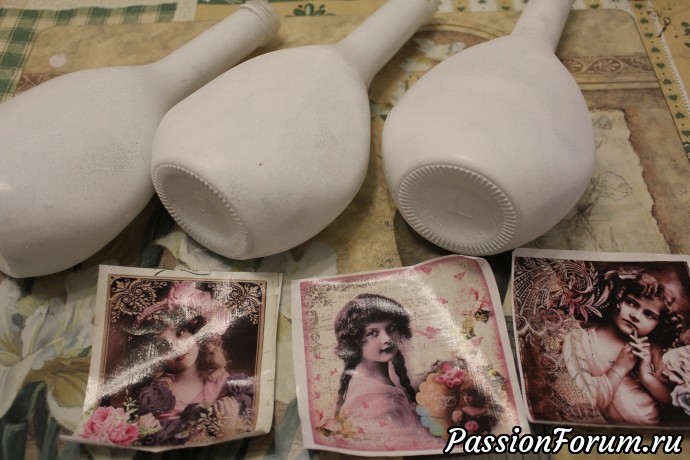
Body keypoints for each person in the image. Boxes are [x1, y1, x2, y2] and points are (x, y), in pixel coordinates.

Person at [125, 281, 252, 445]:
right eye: (163, 345)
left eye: (180, 334)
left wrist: (229, 425)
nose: (176, 348)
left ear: (196, 332)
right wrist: (141, 431)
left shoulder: (221, 383)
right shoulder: (154, 394)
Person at [562, 267, 683, 425]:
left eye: (649, 315)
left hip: (653, 430)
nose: (636, 316)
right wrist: (620, 367)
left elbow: (677, 408)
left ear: (658, 323)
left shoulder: (653, 348)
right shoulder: (580, 340)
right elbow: (585, 402)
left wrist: (645, 376)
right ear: (619, 296)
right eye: (631, 303)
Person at [333, 293, 433, 446]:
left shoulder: (369, 383)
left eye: (391, 328)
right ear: (354, 342)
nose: (387, 339)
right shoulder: (378, 399)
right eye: (373, 333)